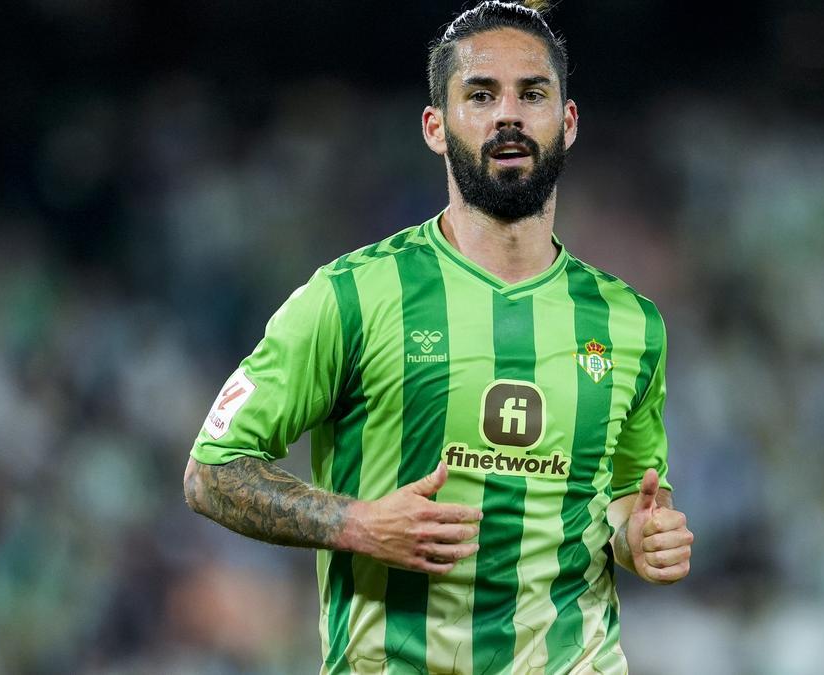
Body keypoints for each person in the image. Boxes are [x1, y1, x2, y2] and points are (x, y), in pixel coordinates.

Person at [183, 2, 694, 672]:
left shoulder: (630, 324)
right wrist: (356, 523)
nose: (507, 114)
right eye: (480, 94)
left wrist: (639, 539)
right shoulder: (351, 296)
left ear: (567, 123)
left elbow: (626, 494)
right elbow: (212, 471)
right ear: (435, 125)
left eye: (532, 93)